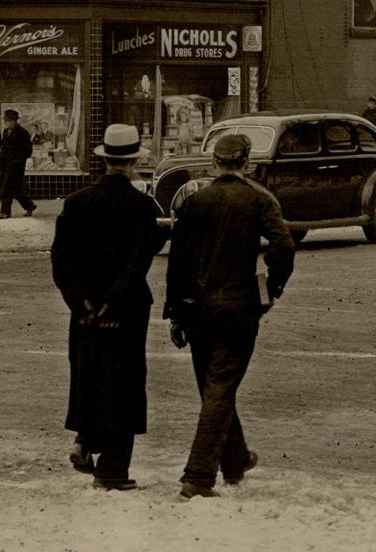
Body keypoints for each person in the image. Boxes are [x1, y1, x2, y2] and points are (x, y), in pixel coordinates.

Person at [166, 132, 295, 499]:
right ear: (247, 163)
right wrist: (274, 286)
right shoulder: (258, 200)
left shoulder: (195, 201)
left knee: (214, 387)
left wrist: (175, 313)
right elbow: (283, 244)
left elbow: (178, 263)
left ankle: (235, 459)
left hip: (196, 309)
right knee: (220, 387)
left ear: (214, 163)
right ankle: (198, 476)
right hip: (239, 307)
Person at [50, 124, 167, 491]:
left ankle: (85, 441)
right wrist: (112, 301)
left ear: (104, 160)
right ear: (133, 161)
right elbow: (138, 264)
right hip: (126, 307)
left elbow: (61, 261)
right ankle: (113, 468)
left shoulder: (76, 202)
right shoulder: (143, 207)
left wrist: (82, 299)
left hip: (83, 308)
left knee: (88, 372)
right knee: (124, 381)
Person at [0, 108, 36, 219]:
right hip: (5, 165)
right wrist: (0, 161)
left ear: (15, 121)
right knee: (16, 189)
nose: (7, 123)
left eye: (10, 120)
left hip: (16, 166)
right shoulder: (5, 132)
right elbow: (3, 148)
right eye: (6, 121)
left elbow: (28, 150)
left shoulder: (22, 133)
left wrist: (18, 160)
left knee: (6, 188)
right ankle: (29, 205)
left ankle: (5, 212)